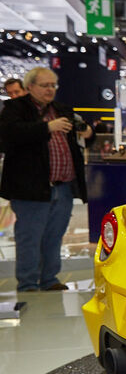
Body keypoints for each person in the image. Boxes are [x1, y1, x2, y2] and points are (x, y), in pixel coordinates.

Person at [0, 67, 95, 291]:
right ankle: (28, 283)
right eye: (45, 85)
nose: (50, 90)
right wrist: (46, 128)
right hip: (31, 188)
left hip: (62, 187)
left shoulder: (62, 109)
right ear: (30, 86)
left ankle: (50, 279)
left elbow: (81, 136)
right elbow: (9, 135)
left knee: (54, 236)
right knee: (29, 238)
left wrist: (89, 134)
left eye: (53, 85)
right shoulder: (14, 109)